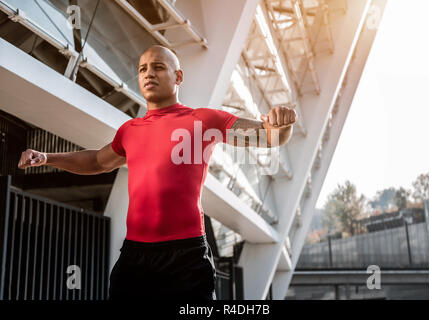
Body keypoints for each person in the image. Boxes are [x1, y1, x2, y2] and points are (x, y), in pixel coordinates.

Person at [17, 45, 298, 300]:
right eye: (142, 69)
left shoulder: (203, 120)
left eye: (158, 67)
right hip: (135, 257)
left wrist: (280, 125)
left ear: (178, 77)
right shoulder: (130, 131)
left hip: (186, 257)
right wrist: (47, 157)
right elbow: (97, 162)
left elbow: (268, 137)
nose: (148, 73)